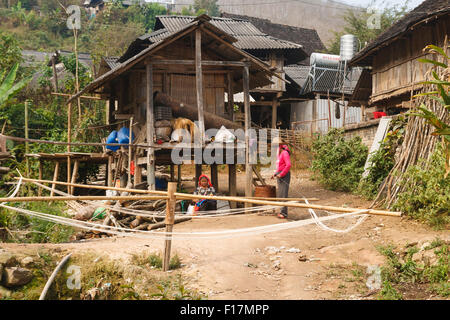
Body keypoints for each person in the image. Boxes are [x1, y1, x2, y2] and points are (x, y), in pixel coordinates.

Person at [271, 137, 292, 219]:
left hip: (284, 175)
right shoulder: (280, 153)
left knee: (283, 194)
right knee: (280, 194)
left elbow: (288, 165)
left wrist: (282, 174)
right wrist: (275, 174)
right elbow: (280, 166)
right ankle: (282, 211)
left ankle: (284, 213)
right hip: (280, 174)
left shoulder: (284, 153)